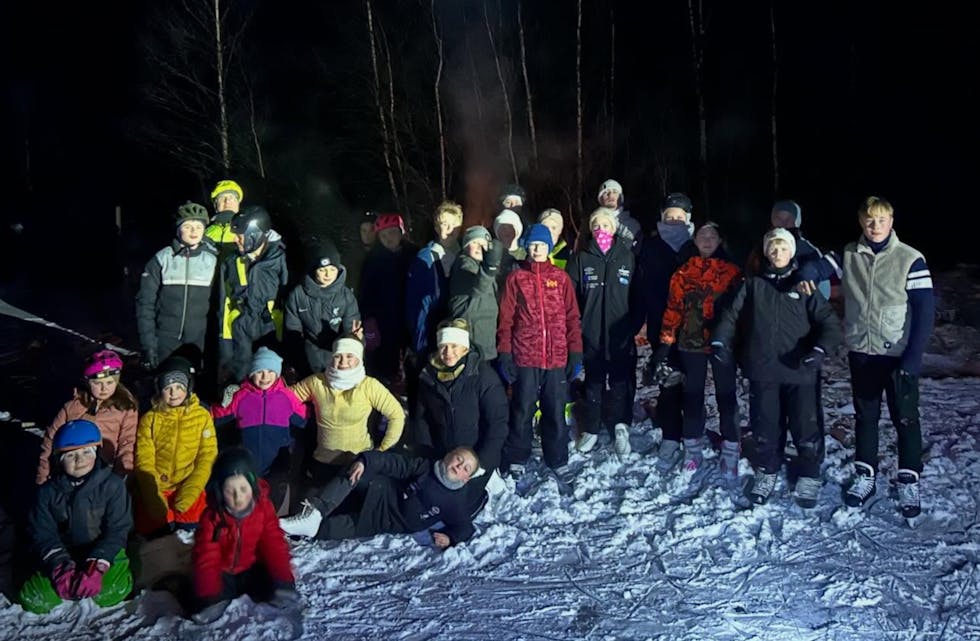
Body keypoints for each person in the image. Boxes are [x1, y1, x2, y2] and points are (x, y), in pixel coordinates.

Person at [799, 196, 934, 518]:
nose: (876, 226)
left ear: (892, 221)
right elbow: (818, 265)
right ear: (861, 222)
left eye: (882, 220)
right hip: (862, 351)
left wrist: (913, 359)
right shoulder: (849, 254)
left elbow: (925, 312)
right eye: (870, 220)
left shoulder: (910, 259)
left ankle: (909, 478)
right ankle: (865, 475)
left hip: (898, 354)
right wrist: (806, 272)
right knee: (865, 417)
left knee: (905, 417)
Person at [711, 228, 841, 507]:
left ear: (791, 252)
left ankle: (809, 473)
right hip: (763, 370)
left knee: (805, 425)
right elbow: (730, 317)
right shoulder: (752, 285)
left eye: (783, 247)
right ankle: (767, 469)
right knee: (765, 425)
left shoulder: (805, 286)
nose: (778, 253)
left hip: (801, 370)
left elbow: (829, 324)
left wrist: (819, 350)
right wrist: (721, 342)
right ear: (766, 253)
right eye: (773, 248)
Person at [649, 222, 742, 477]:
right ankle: (692, 449)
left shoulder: (733, 272)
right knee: (692, 396)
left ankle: (731, 450)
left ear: (720, 240)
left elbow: (743, 311)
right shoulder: (684, 272)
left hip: (724, 344)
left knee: (726, 396)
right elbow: (673, 309)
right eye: (703, 235)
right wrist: (665, 343)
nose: (708, 240)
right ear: (695, 240)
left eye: (713, 235)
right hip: (690, 343)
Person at [497, 224, 583, 483]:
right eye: (533, 245)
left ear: (548, 248)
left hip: (556, 358)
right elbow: (506, 319)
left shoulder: (561, 278)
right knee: (522, 409)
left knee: (555, 410)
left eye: (542, 245)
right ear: (527, 246)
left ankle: (557, 458)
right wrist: (505, 353)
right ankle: (517, 457)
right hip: (525, 357)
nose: (537, 250)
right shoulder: (516, 279)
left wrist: (575, 352)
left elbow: (572, 317)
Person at [18, 420, 133, 614]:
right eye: (71, 455)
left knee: (111, 593)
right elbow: (43, 533)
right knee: (36, 600)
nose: (80, 460)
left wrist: (99, 564)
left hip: (102, 550)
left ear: (97, 453)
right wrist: (59, 565)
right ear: (59, 460)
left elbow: (117, 529)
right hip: (64, 553)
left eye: (86, 452)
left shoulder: (113, 486)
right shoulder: (47, 493)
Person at [280, 447, 482, 549]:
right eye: (458, 459)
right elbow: (393, 463)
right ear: (447, 457)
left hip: (379, 521)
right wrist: (365, 461)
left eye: (466, 468)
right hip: (380, 493)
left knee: (329, 530)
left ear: (466, 480)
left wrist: (449, 537)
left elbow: (465, 527)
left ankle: (285, 532)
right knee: (355, 470)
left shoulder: (455, 500)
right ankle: (314, 513)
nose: (459, 466)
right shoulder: (425, 467)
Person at [191, 447, 299, 624]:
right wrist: (209, 595)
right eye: (229, 490)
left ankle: (280, 588)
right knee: (201, 593)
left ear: (252, 485)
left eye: (243, 488)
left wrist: (283, 580)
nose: (237, 496)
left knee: (271, 583)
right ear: (219, 491)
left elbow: (274, 545)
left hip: (250, 569)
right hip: (223, 572)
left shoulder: (263, 509)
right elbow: (207, 556)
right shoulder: (213, 516)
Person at [567, 208, 642, 457]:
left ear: (614, 228)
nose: (601, 229)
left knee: (621, 381)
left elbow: (638, 295)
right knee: (594, 383)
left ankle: (621, 427)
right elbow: (571, 299)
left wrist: (632, 326)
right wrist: (577, 328)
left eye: (606, 225)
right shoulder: (581, 258)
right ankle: (591, 428)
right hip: (591, 335)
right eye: (596, 225)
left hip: (620, 335)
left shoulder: (627, 256)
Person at [413, 319, 508, 502]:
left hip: (475, 457)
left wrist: (483, 462)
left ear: (465, 348)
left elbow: (497, 422)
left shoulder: (483, 376)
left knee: (463, 502)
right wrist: (426, 455)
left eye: (455, 346)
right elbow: (421, 419)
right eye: (444, 346)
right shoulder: (428, 376)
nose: (448, 353)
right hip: (443, 457)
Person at [288, 336, 405, 485]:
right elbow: (285, 399)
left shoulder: (368, 386)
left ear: (358, 358)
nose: (343, 362)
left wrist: (381, 451)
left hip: (357, 463)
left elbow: (397, 415)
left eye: (350, 356)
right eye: (338, 356)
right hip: (323, 462)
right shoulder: (317, 382)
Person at [211, 348, 307, 512]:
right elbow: (218, 416)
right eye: (259, 371)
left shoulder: (286, 396)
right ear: (251, 373)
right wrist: (222, 402)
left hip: (277, 461)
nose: (265, 377)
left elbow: (304, 418)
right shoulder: (241, 395)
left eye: (270, 371)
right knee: (249, 501)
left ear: (277, 373)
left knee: (274, 502)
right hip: (249, 460)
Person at [134, 357, 218, 540]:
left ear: (188, 387)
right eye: (168, 388)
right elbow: (143, 458)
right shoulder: (150, 419)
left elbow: (207, 456)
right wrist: (152, 494)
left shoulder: (202, 417)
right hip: (158, 487)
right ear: (159, 389)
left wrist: (191, 489)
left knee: (193, 534)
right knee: (156, 534)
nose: (174, 393)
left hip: (188, 485)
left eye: (179, 387)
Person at [136, 202, 219, 370]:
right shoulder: (161, 259)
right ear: (178, 229)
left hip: (198, 342)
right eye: (188, 226)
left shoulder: (212, 261)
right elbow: (145, 304)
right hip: (165, 339)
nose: (194, 231)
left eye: (198, 226)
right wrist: (149, 345)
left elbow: (219, 306)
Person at [36, 350, 138, 485]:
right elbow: (50, 439)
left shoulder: (125, 407)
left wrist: (122, 473)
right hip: (71, 466)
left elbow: (127, 442)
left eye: (109, 382)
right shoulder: (72, 406)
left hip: (105, 470)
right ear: (87, 382)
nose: (104, 388)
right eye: (97, 383)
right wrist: (43, 475)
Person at [217, 205, 289, 383]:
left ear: (255, 234)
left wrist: (288, 343)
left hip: (270, 331)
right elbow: (224, 304)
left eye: (240, 236)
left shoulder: (280, 259)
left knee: (269, 384)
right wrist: (225, 348)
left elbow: (291, 300)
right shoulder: (231, 262)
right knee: (240, 384)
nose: (236, 240)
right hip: (240, 331)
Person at [637, 192, 697, 387]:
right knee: (667, 382)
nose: (674, 221)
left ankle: (692, 417)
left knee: (692, 380)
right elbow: (641, 281)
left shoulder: (697, 245)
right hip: (659, 320)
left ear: (687, 219)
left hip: (691, 324)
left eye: (679, 217)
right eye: (669, 217)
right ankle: (667, 416)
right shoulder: (650, 246)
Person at [284, 239, 360, 375]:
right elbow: (292, 330)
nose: (327, 274)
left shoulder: (346, 296)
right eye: (322, 269)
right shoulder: (298, 294)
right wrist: (299, 358)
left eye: (332, 269)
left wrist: (353, 340)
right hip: (308, 359)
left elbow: (351, 328)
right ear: (314, 270)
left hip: (338, 359)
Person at [405, 201, 464, 370]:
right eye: (444, 225)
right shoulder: (424, 259)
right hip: (431, 329)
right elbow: (416, 304)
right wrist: (419, 339)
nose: (449, 230)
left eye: (454, 225)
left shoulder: (464, 256)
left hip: (457, 326)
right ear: (437, 228)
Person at [359, 213, 416, 386]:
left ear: (401, 232)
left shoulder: (414, 255)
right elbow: (365, 294)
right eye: (384, 235)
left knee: (412, 368)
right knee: (383, 370)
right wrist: (368, 320)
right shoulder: (373, 261)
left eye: (393, 232)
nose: (389, 238)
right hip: (384, 324)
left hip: (410, 320)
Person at [448, 227, 503, 362]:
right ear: (465, 247)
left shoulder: (482, 267)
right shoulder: (464, 265)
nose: (479, 247)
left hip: (486, 339)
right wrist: (490, 268)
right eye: (474, 243)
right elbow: (478, 287)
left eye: (483, 243)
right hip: (471, 340)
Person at [596, 179, 642, 252]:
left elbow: (630, 250)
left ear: (621, 198)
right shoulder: (590, 224)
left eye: (615, 191)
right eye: (605, 192)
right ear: (600, 199)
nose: (610, 195)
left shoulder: (632, 224)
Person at [205, 179, 245, 264]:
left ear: (238, 204)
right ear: (215, 205)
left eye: (232, 198)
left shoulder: (250, 229)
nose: (227, 201)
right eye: (222, 198)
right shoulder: (202, 231)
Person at [344, 212, 378, 296]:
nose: (367, 235)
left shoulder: (384, 254)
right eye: (364, 230)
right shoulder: (351, 255)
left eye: (371, 230)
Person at [492, 209, 526, 292]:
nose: (506, 231)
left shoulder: (525, 254)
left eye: (510, 227)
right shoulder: (491, 253)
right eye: (503, 227)